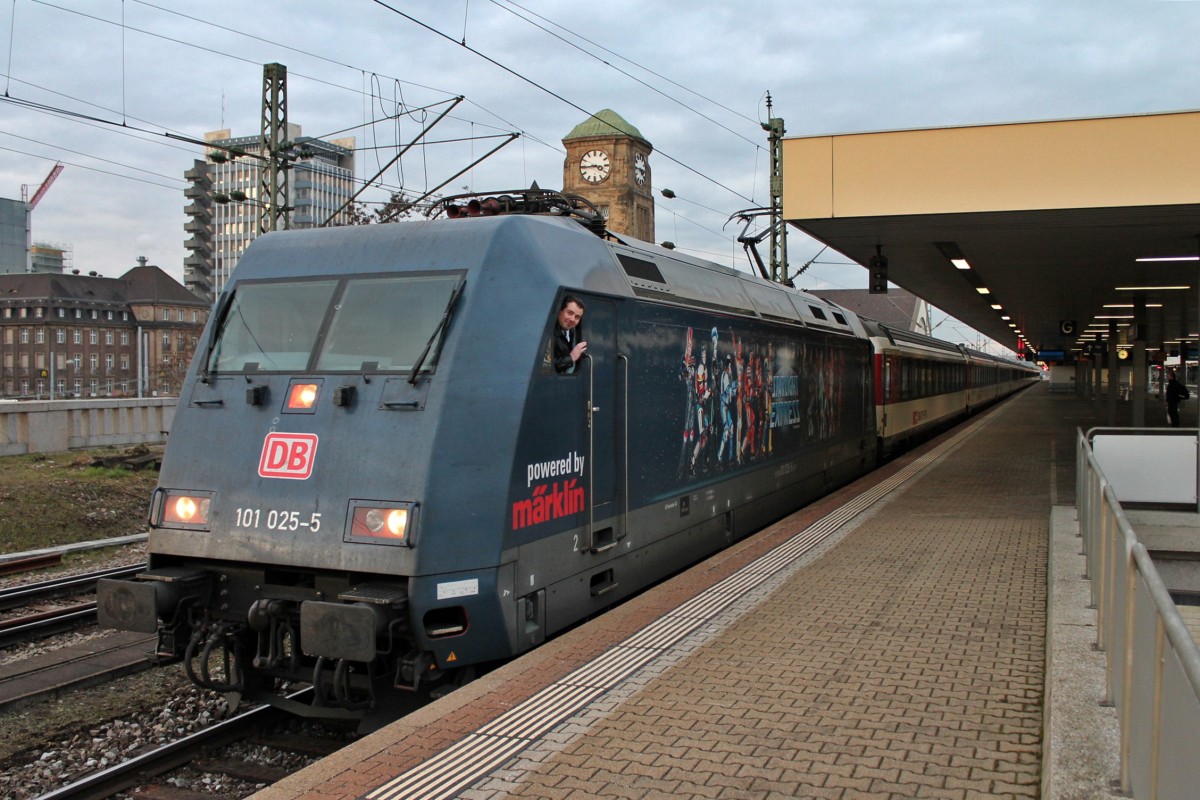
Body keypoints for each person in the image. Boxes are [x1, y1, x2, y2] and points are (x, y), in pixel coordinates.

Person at [551, 296, 587, 373]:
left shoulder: (571, 332)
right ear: (560, 311)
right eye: (570, 313)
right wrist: (571, 357)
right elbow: (546, 367)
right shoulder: (549, 333)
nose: (572, 319)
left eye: (577, 317)